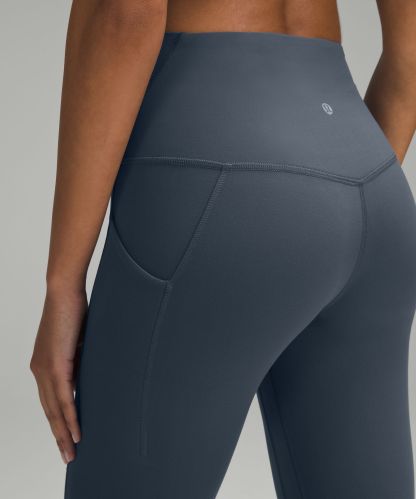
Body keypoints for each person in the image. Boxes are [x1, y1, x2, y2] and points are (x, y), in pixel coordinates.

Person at [30, 1, 416, 498]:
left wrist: (63, 280)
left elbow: (125, 13)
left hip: (216, 170)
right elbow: (411, 50)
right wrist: (329, 195)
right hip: (372, 183)